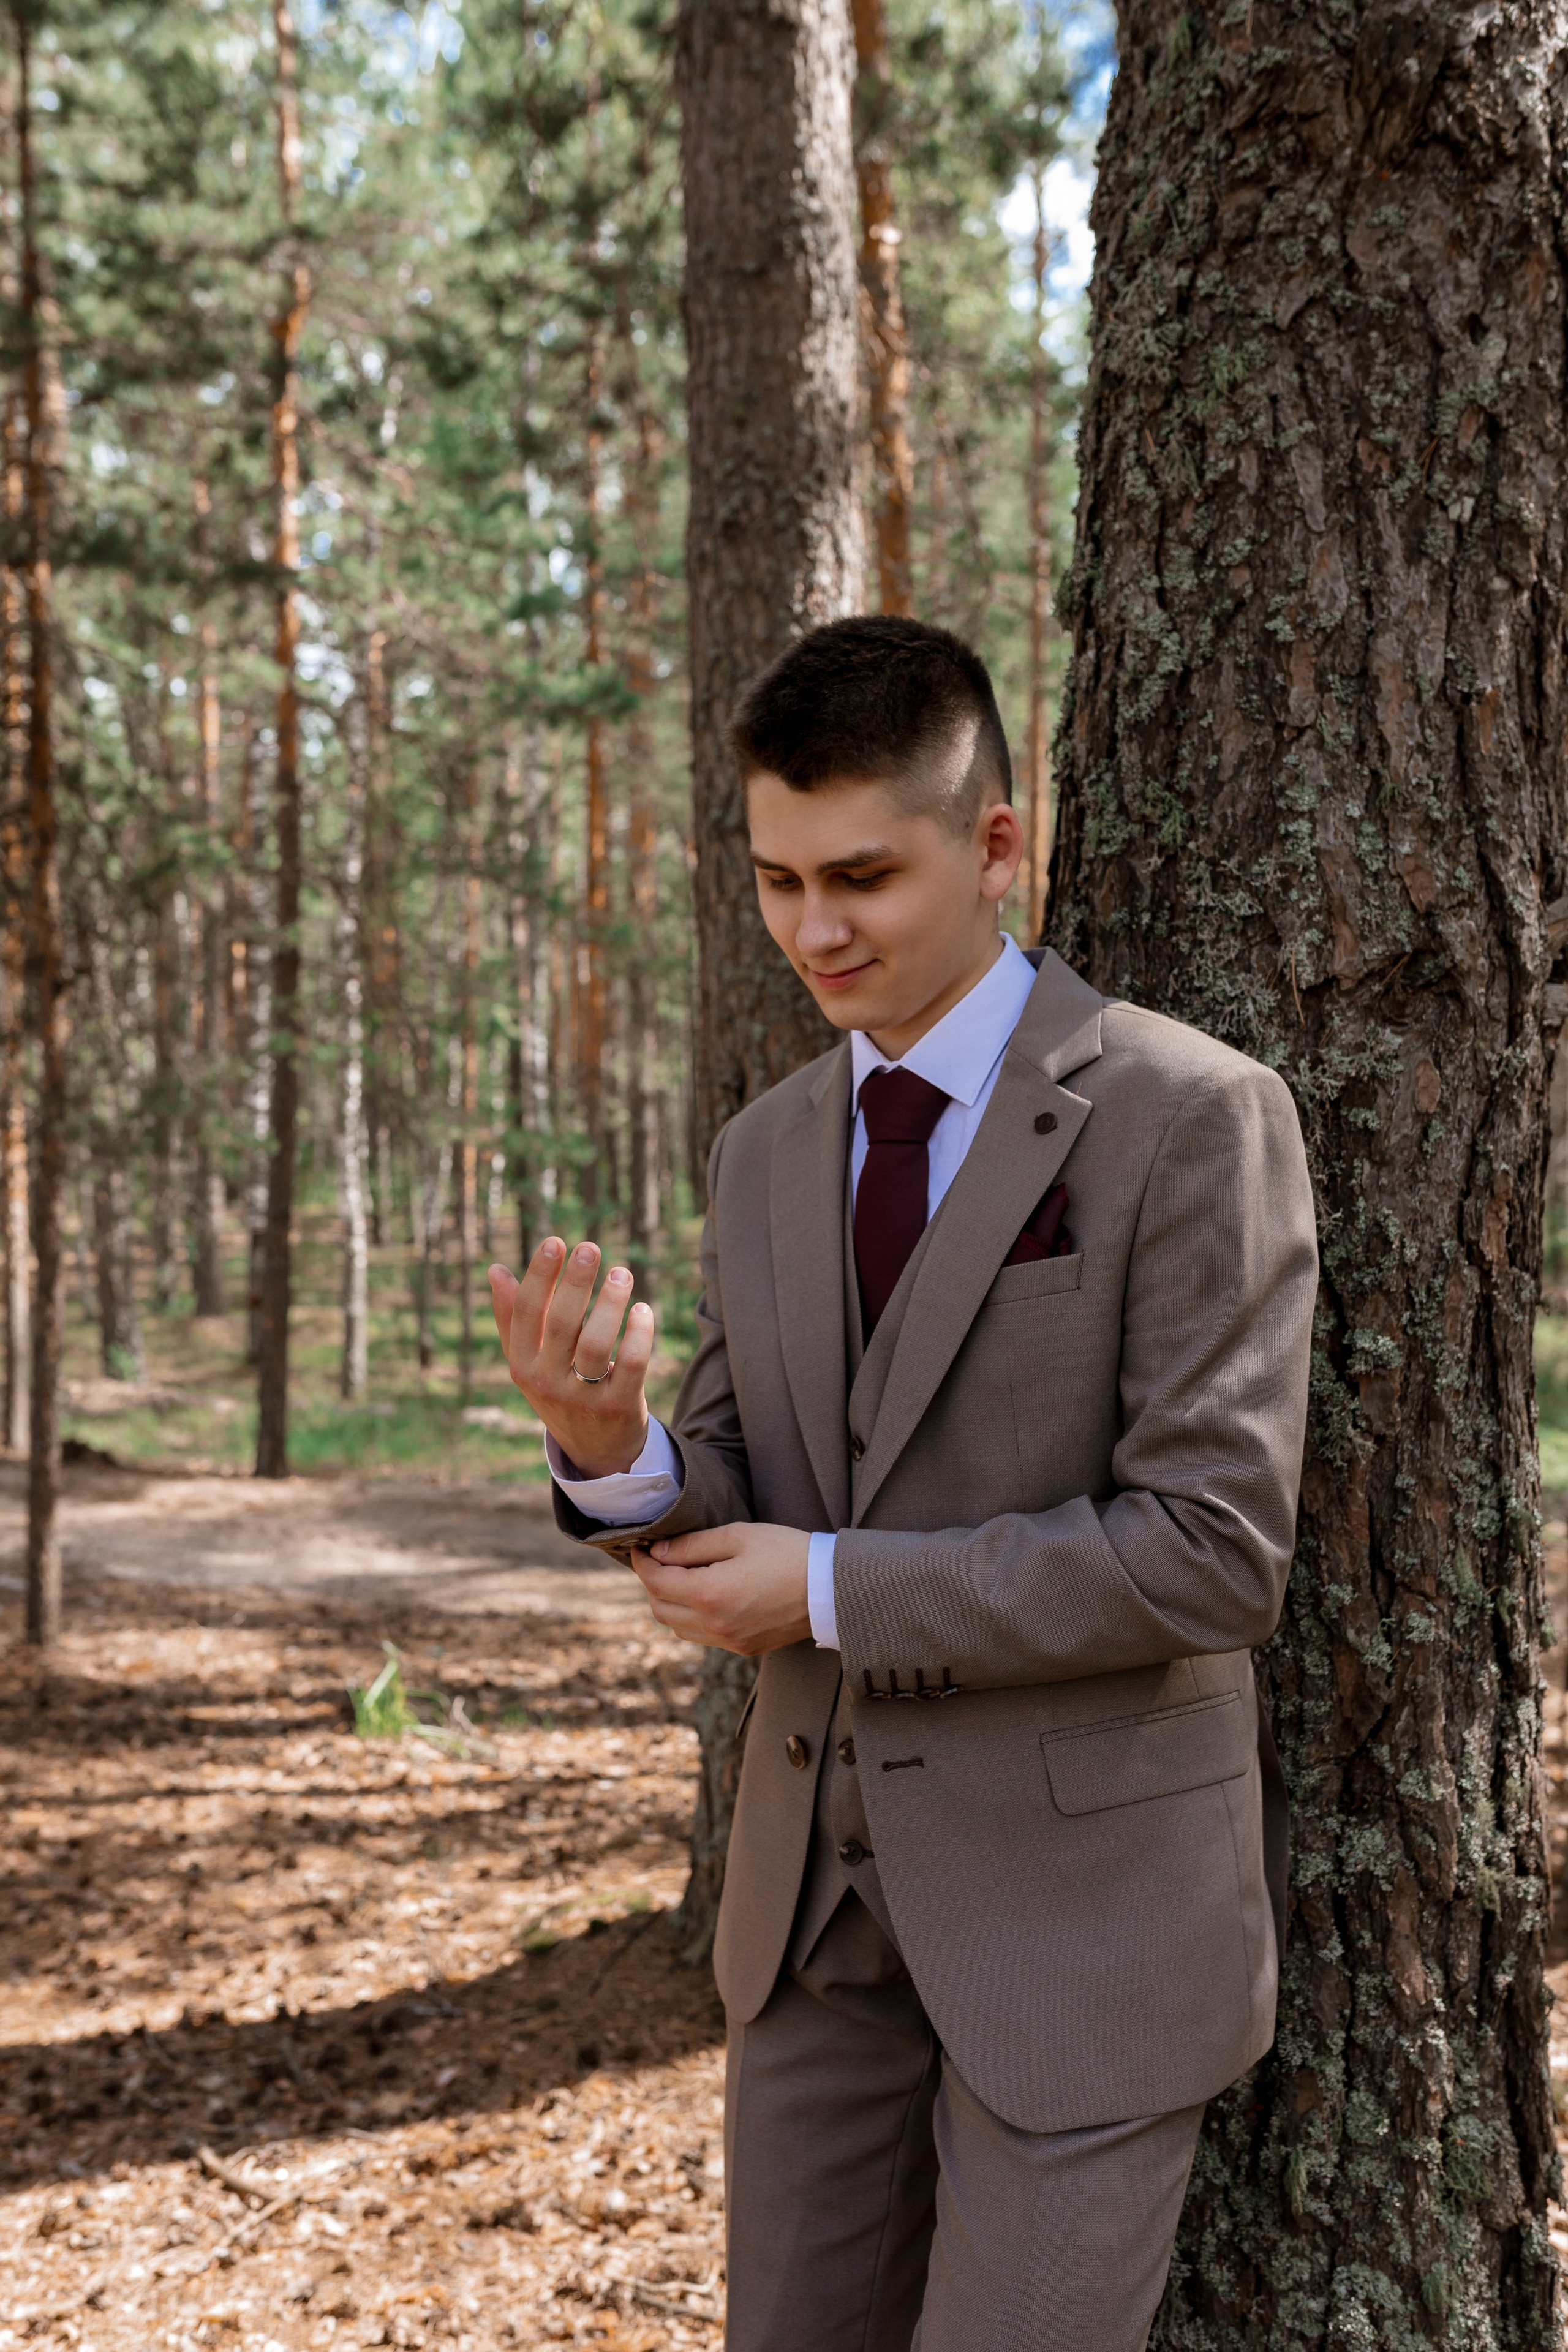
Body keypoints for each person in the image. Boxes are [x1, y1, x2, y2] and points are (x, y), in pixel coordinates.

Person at [488, 614, 1318, 2352]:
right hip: (810, 1934)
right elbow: (743, 1476)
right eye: (779, 880)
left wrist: (834, 1591)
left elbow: (1212, 1553)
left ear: (997, 843)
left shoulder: (1189, 1117)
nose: (813, 930)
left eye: (860, 875)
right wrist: (608, 1447)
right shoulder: (766, 1146)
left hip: (1085, 1939)